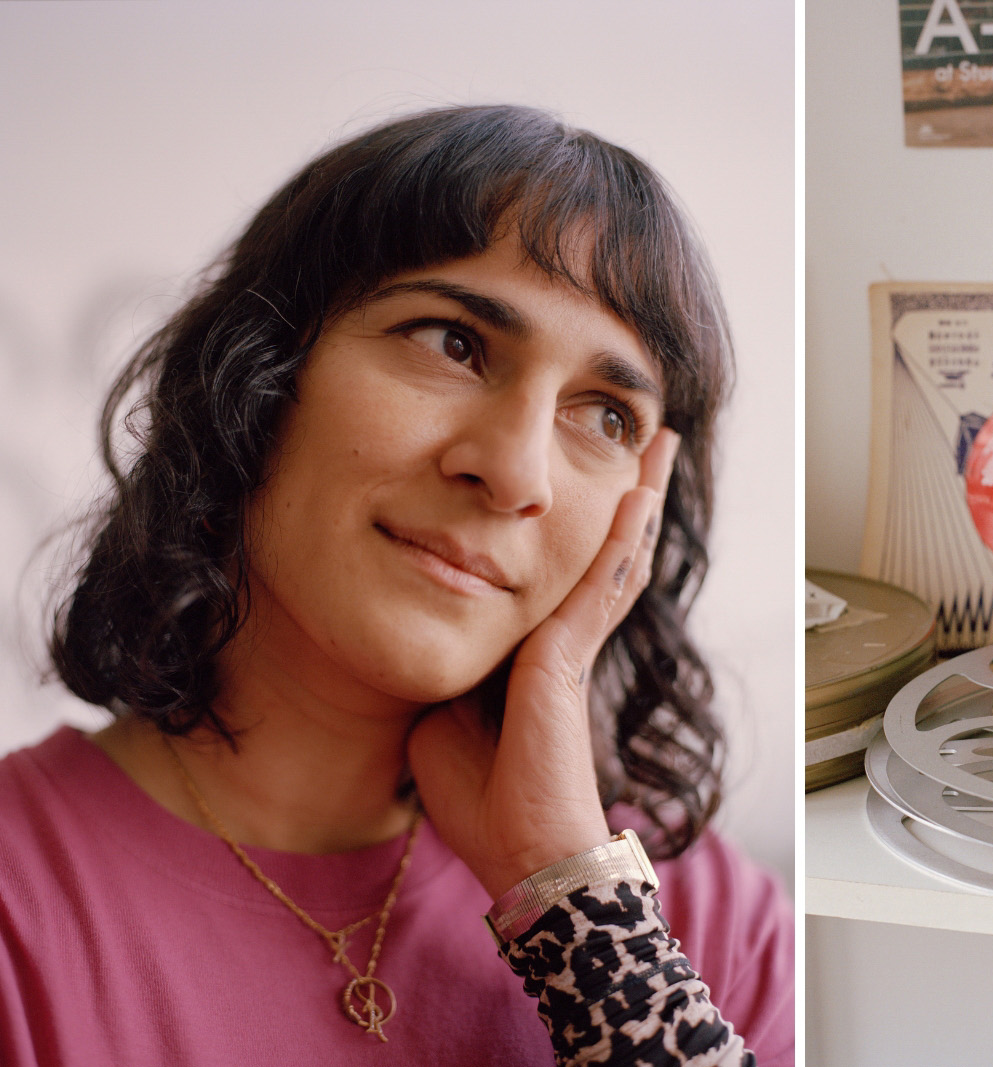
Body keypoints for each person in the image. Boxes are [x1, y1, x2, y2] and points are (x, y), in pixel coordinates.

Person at [0, 105, 793, 1066]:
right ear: (258, 375)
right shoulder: (22, 896)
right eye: (453, 342)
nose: (516, 473)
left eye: (605, 414)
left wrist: (581, 918)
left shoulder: (708, 926)